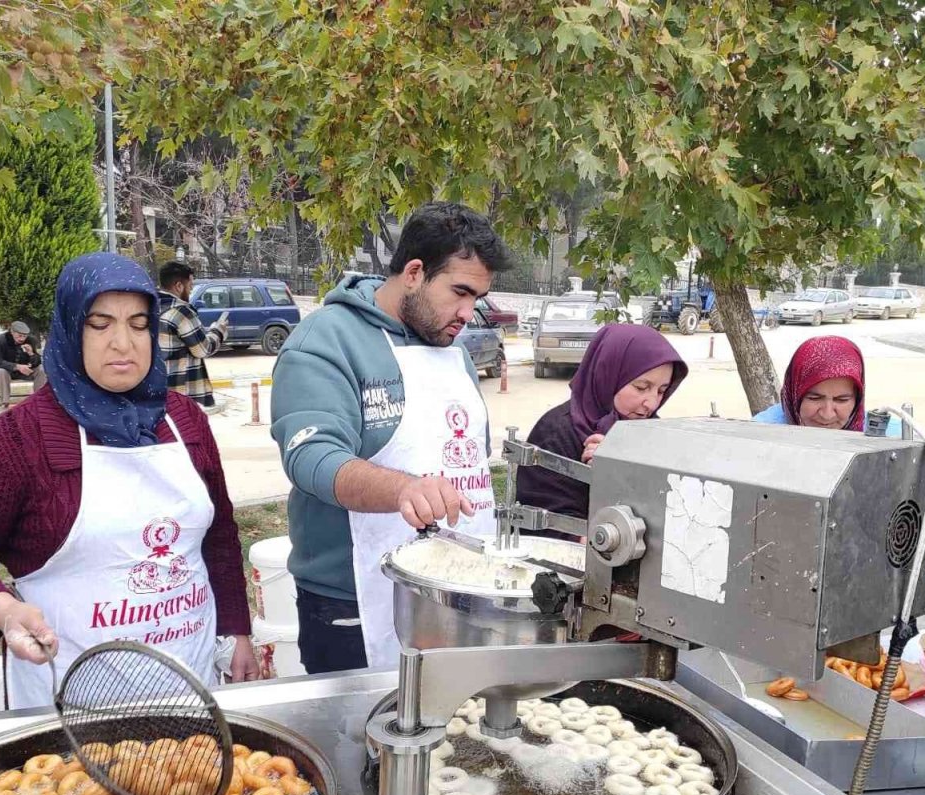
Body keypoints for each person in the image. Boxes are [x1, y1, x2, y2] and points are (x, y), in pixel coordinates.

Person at [0, 252, 260, 709]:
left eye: (138, 324)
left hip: (190, 689)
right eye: (100, 324)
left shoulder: (185, 421)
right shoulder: (18, 439)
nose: (123, 343)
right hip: (69, 710)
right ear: (71, 329)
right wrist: (4, 610)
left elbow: (218, 534)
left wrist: (236, 629)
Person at [271, 201, 512, 674]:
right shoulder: (325, 340)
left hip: (451, 593)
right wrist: (404, 489)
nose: (468, 313)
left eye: (477, 299)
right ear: (415, 272)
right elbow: (312, 457)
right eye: (460, 292)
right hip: (351, 601)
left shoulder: (454, 353)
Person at [517, 324, 688, 539]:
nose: (652, 403)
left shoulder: (653, 433)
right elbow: (547, 527)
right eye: (641, 387)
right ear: (607, 373)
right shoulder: (556, 432)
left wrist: (627, 465)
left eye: (662, 391)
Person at [753, 335, 902, 435]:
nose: (827, 414)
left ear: (857, 400)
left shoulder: (890, 439)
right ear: (794, 393)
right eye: (814, 398)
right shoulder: (761, 433)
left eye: (842, 400)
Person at [158, 260, 230, 407]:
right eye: (190, 286)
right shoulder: (181, 312)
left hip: (158, 389)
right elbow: (203, 349)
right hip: (181, 393)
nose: (191, 291)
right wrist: (219, 330)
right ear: (179, 286)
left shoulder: (150, 307)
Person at [0, 320, 46, 408]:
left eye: (24, 336)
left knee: (41, 369)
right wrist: (17, 367)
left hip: (23, 372)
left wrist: (31, 353)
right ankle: (5, 402)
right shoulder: (1, 340)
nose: (22, 339)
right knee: (1, 371)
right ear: (12, 332)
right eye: (19, 335)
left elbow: (36, 362)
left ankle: (39, 400)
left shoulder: (30, 340)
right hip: (5, 371)